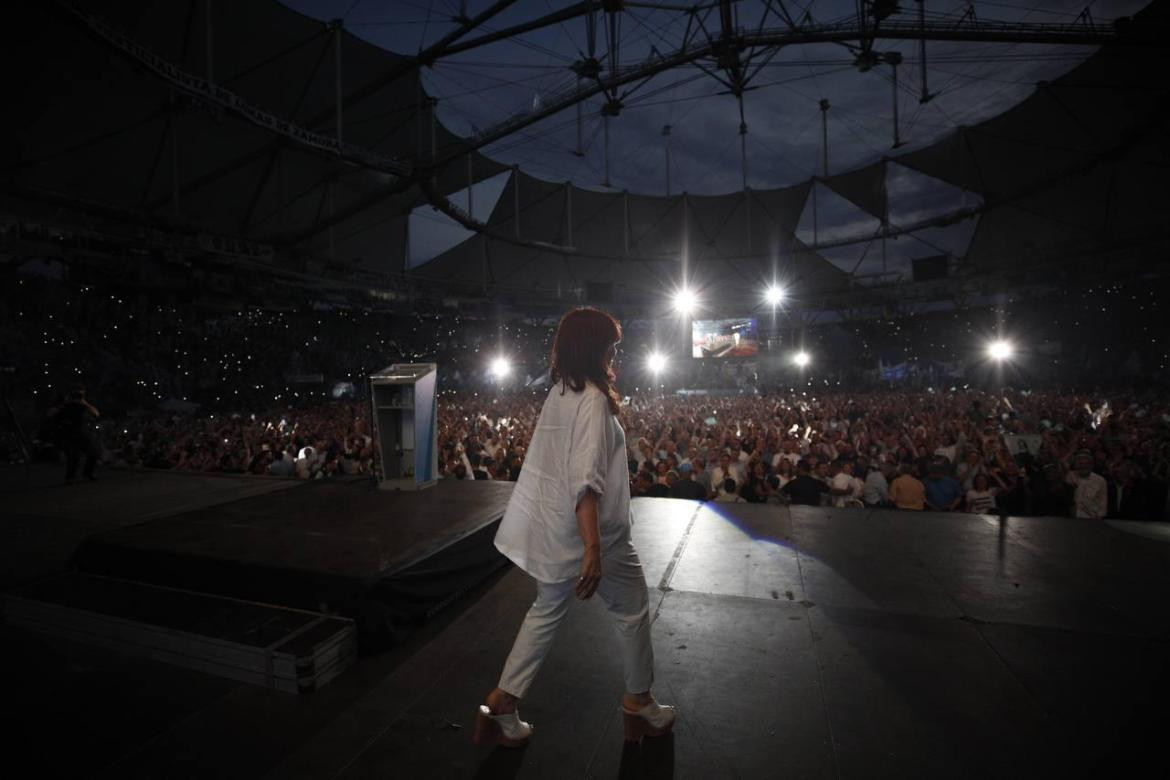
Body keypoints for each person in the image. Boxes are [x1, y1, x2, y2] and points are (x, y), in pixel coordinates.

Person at [478, 307, 673, 747]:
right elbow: (585, 481)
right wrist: (593, 550)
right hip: (597, 536)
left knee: (544, 613)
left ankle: (502, 702)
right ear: (595, 347)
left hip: (557, 533)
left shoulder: (561, 392)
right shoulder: (592, 401)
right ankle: (639, 703)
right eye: (611, 346)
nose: (614, 354)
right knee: (633, 609)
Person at [55, 385, 101, 483]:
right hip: (70, 433)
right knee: (74, 456)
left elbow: (96, 414)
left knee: (93, 453)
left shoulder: (82, 405)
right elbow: (55, 417)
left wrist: (85, 403)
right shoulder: (66, 406)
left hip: (82, 432)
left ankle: (87, 474)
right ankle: (70, 477)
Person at [1066, 449, 1107, 519]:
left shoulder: (1100, 480)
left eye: (1086, 464)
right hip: (1072, 519)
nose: (1083, 466)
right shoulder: (1069, 476)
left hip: (1091, 519)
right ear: (1075, 465)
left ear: (1091, 465)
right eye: (1080, 464)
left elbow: (1103, 504)